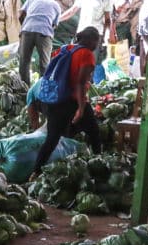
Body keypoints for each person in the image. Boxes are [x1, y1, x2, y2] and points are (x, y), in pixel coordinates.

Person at [31, 27, 102, 178]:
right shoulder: (87, 55)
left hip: (55, 100)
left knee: (52, 139)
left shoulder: (65, 49)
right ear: (91, 40)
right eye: (97, 41)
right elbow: (80, 84)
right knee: (94, 132)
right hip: (72, 101)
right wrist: (82, 108)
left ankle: (36, 171)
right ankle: (99, 165)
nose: (97, 45)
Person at [59, 0, 116, 64]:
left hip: (95, 34)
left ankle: (88, 78)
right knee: (77, 58)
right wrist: (58, 19)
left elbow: (108, 20)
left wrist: (107, 34)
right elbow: (72, 11)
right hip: (82, 33)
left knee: (90, 61)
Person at [19, 0, 62, 85]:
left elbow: (21, 14)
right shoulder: (56, 5)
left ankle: (24, 88)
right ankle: (43, 88)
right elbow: (54, 25)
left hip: (28, 29)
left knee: (24, 61)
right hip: (44, 33)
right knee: (45, 63)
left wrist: (24, 28)